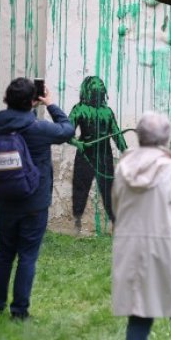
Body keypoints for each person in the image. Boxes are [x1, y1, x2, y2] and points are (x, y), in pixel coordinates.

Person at [111, 111, 171, 340]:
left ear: (139, 136)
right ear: (166, 138)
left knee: (139, 314)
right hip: (170, 249)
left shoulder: (123, 169)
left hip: (132, 250)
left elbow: (117, 209)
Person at [0, 77, 75, 320]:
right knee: (27, 255)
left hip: (5, 200)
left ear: (6, 99)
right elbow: (67, 130)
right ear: (33, 101)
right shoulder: (38, 128)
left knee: (5, 253)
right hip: (34, 203)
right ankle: (19, 311)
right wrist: (51, 104)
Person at [69, 75, 127, 230]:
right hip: (85, 153)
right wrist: (76, 142)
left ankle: (115, 223)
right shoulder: (79, 109)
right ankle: (77, 222)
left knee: (109, 189)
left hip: (104, 155)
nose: (99, 89)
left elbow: (116, 134)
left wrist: (125, 151)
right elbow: (66, 132)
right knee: (80, 188)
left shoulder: (107, 112)